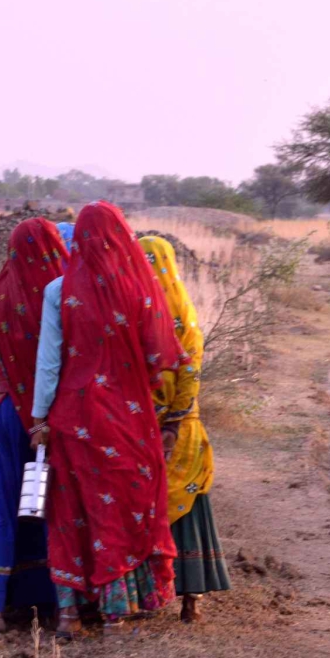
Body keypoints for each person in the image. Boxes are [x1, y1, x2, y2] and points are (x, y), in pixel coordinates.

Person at [30, 202, 185, 637]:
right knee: (120, 507)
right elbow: (160, 356)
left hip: (73, 415)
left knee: (69, 511)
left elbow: (49, 363)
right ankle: (117, 609)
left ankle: (69, 614)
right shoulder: (140, 287)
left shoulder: (59, 291)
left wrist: (39, 418)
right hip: (128, 416)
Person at [0, 217, 68, 633]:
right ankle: (56, 604)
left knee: (0, 506)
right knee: (51, 507)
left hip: (5, 414)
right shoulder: (65, 296)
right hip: (53, 418)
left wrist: (4, 368)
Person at [138, 234, 232, 623]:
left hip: (146, 427)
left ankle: (148, 592)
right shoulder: (186, 316)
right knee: (189, 507)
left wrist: (166, 421)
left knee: (152, 507)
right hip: (184, 428)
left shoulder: (137, 314)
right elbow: (190, 374)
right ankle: (191, 600)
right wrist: (178, 420)